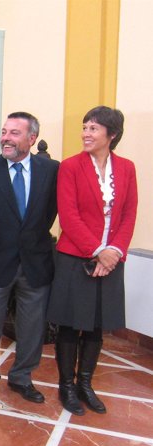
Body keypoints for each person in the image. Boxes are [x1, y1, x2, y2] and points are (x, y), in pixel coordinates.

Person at [48, 106, 137, 415]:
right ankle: (67, 386)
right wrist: (99, 250)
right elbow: (68, 216)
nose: (86, 133)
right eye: (85, 127)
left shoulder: (126, 168)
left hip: (112, 259)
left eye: (93, 128)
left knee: (96, 327)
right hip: (76, 257)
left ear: (111, 135)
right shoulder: (70, 167)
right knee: (72, 325)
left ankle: (86, 384)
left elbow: (128, 215)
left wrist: (115, 252)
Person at [0, 112, 58, 405]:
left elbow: (49, 213)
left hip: (35, 263)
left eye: (14, 133)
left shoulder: (51, 171)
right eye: (4, 131)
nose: (6, 138)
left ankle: (22, 377)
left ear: (31, 139)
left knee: (33, 327)